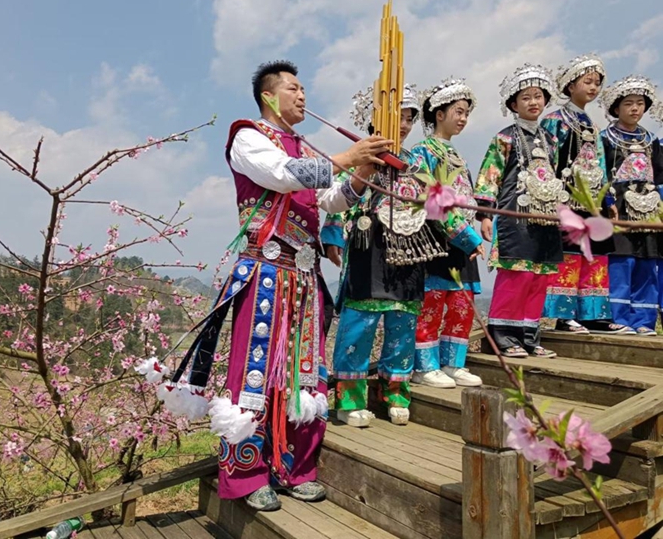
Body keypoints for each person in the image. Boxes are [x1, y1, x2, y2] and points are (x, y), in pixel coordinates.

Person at [166, 60, 392, 512]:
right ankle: (247, 476)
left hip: (304, 277)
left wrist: (363, 172)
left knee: (305, 375)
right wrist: (346, 157)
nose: (303, 95)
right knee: (255, 373)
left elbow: (330, 200)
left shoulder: (303, 146)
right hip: (265, 273)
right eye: (293, 88)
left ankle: (295, 469)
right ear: (269, 96)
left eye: (304, 88)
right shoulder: (247, 136)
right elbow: (282, 175)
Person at [321, 85, 445, 427]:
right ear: (376, 119)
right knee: (359, 325)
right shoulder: (360, 154)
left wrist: (466, 235)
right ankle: (349, 399)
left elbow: (437, 203)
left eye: (409, 119)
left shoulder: (419, 161)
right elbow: (339, 200)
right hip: (368, 249)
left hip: (410, 251)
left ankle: (396, 394)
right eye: (397, 117)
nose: (403, 125)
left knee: (403, 325)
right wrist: (332, 235)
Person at [474, 64, 566, 357]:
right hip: (515, 217)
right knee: (516, 274)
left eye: (538, 96)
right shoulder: (504, 138)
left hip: (545, 218)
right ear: (513, 104)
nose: (533, 102)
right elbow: (490, 176)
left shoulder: (551, 140)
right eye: (525, 97)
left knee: (539, 276)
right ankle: (503, 336)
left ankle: (530, 336)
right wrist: (485, 214)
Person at [410, 79, 485, 388]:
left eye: (466, 113)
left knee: (461, 303)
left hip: (464, 239)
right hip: (436, 240)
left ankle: (453, 363)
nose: (463, 118)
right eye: (458, 111)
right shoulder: (422, 152)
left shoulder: (458, 155)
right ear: (439, 114)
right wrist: (468, 236)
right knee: (433, 302)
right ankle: (425, 366)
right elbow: (430, 199)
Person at [541, 55, 618, 334]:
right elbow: (546, 160)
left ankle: (593, 315)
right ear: (570, 85)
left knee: (596, 255)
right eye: (588, 81)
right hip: (566, 198)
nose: (594, 87)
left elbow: (600, 163)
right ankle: (564, 316)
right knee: (570, 254)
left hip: (592, 201)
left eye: (597, 83)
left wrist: (608, 199)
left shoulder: (593, 125)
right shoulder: (555, 120)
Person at [599, 76, 663, 335]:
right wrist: (607, 202)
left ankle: (644, 321)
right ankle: (619, 317)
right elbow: (600, 174)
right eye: (628, 103)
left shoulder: (651, 140)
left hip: (649, 209)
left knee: (647, 262)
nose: (635, 108)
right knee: (621, 262)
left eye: (640, 103)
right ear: (616, 108)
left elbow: (660, 178)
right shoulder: (605, 138)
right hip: (619, 207)